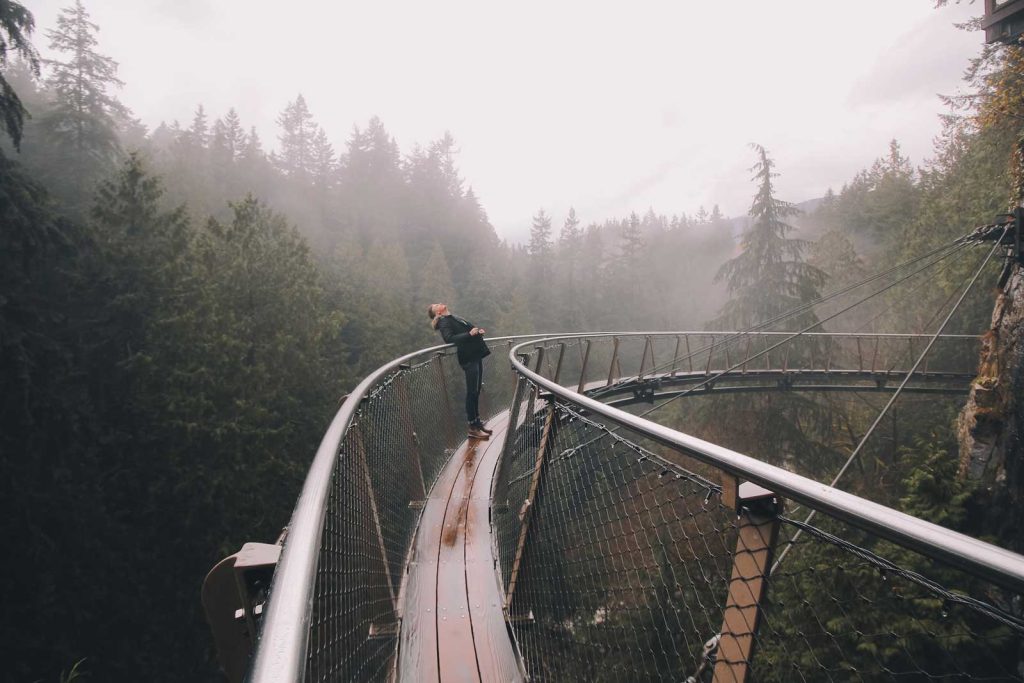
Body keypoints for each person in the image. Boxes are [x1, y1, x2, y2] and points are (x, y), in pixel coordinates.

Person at [428, 303, 493, 439]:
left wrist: (476, 332)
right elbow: (449, 338)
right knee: (471, 392)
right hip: (468, 358)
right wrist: (469, 334)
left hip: (474, 355)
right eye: (436, 306)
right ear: (438, 313)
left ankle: (477, 422)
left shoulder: (452, 318)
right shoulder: (444, 321)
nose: (440, 303)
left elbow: (463, 333)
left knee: (476, 391)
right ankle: (472, 427)